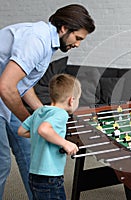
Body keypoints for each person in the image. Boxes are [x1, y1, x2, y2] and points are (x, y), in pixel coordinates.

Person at [0, 4, 95, 199]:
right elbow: (6, 87)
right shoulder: (37, 40)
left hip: (6, 98)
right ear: (63, 29)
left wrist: (42, 112)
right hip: (3, 94)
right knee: (2, 164)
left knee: (29, 153)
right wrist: (33, 121)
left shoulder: (47, 43)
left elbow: (23, 85)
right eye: (77, 38)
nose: (77, 44)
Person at [18, 74, 80, 200]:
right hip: (50, 177)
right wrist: (65, 143)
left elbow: (21, 131)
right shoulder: (61, 114)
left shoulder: (39, 112)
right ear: (71, 100)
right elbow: (43, 129)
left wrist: (41, 135)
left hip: (34, 175)